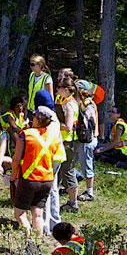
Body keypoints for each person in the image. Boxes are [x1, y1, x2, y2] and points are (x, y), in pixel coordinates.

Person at [11, 106, 61, 236]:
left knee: (20, 213)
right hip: (47, 179)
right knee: (38, 214)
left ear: (37, 119)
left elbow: (16, 159)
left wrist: (13, 176)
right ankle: (38, 243)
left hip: (29, 179)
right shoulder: (54, 136)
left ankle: (30, 242)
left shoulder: (26, 134)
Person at [34, 90, 66, 236]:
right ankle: (55, 221)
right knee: (53, 189)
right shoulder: (54, 116)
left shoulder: (43, 116)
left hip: (48, 156)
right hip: (59, 155)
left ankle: (45, 224)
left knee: (44, 190)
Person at [56, 78, 80, 213]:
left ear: (66, 89)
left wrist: (53, 123)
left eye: (59, 87)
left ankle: (73, 203)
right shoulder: (66, 102)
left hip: (68, 143)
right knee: (61, 170)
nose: (57, 90)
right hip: (66, 142)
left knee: (69, 171)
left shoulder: (70, 104)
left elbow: (68, 127)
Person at [74, 80, 99, 202]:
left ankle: (90, 192)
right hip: (84, 139)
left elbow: (87, 122)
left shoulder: (88, 104)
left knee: (86, 165)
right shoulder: (86, 103)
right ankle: (72, 185)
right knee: (73, 163)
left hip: (87, 139)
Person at [0, 96, 28, 174]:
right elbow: (13, 126)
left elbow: (25, 126)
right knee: (11, 131)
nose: (20, 108)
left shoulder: (21, 115)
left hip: (13, 138)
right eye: (17, 106)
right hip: (3, 136)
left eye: (21, 106)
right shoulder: (9, 115)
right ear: (13, 107)